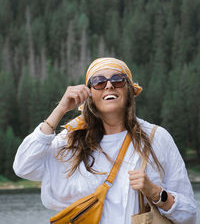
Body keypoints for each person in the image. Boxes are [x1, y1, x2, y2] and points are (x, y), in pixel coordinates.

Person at [13, 57, 197, 224]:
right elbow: (23, 167)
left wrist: (156, 193)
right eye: (99, 82)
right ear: (90, 94)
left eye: (118, 80)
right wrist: (60, 109)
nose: (109, 85)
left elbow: (189, 214)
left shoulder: (157, 137)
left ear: (130, 90)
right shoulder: (71, 140)